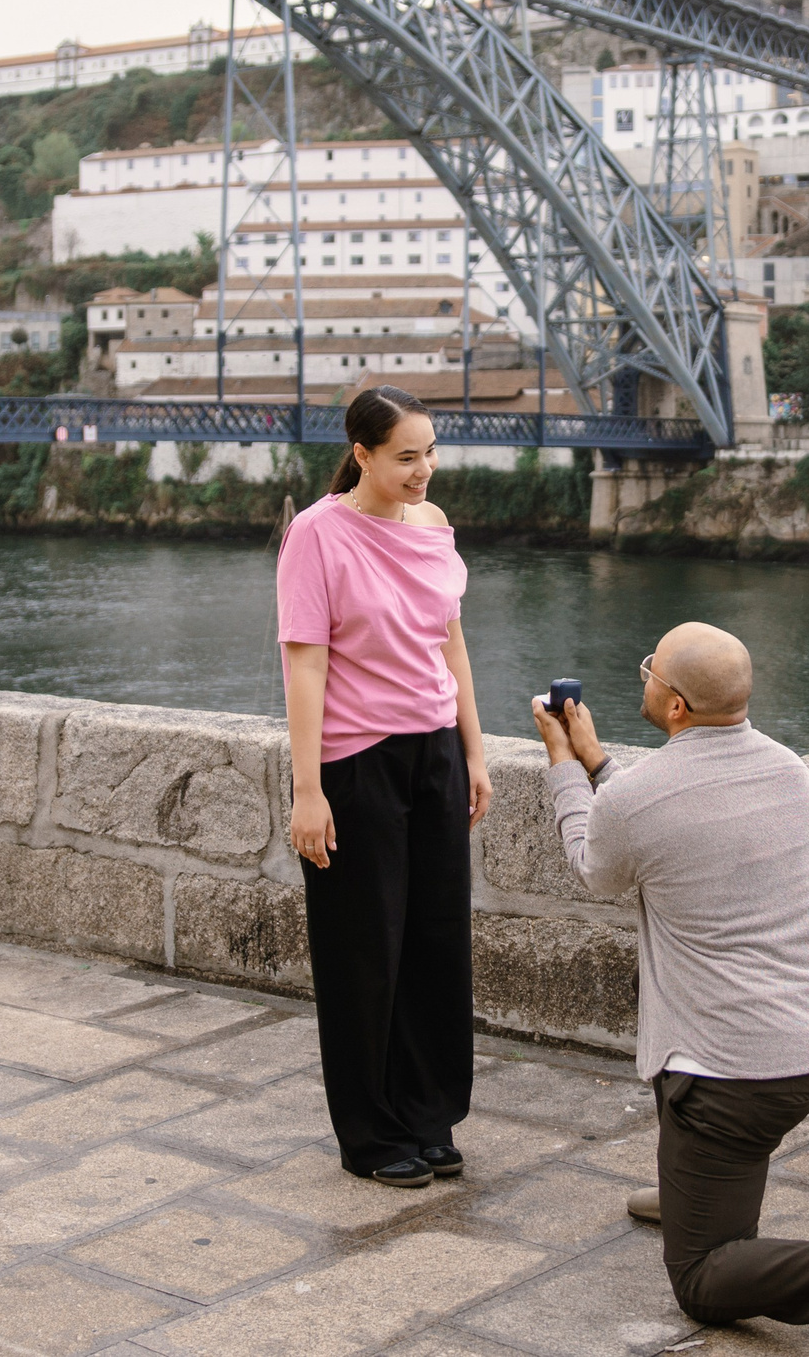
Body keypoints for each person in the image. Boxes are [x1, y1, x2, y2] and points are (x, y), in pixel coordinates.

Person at [532, 623, 809, 1356]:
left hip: (736, 1071)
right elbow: (671, 817)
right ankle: (688, 1187)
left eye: (649, 673)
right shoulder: (787, 770)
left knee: (700, 1275)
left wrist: (563, 766)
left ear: (674, 708)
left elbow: (596, 861)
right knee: (699, 1060)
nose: (643, 679)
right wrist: (600, 760)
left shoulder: (640, 799)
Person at [277, 385, 493, 1188]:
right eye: (406, 455)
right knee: (363, 949)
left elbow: (453, 647)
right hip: (353, 761)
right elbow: (305, 660)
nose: (424, 469)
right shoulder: (316, 534)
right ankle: (369, 1133)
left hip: (433, 751)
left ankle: (426, 1112)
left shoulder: (434, 528)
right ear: (362, 453)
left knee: (436, 941)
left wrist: (473, 752)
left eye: (430, 451)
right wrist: (308, 789)